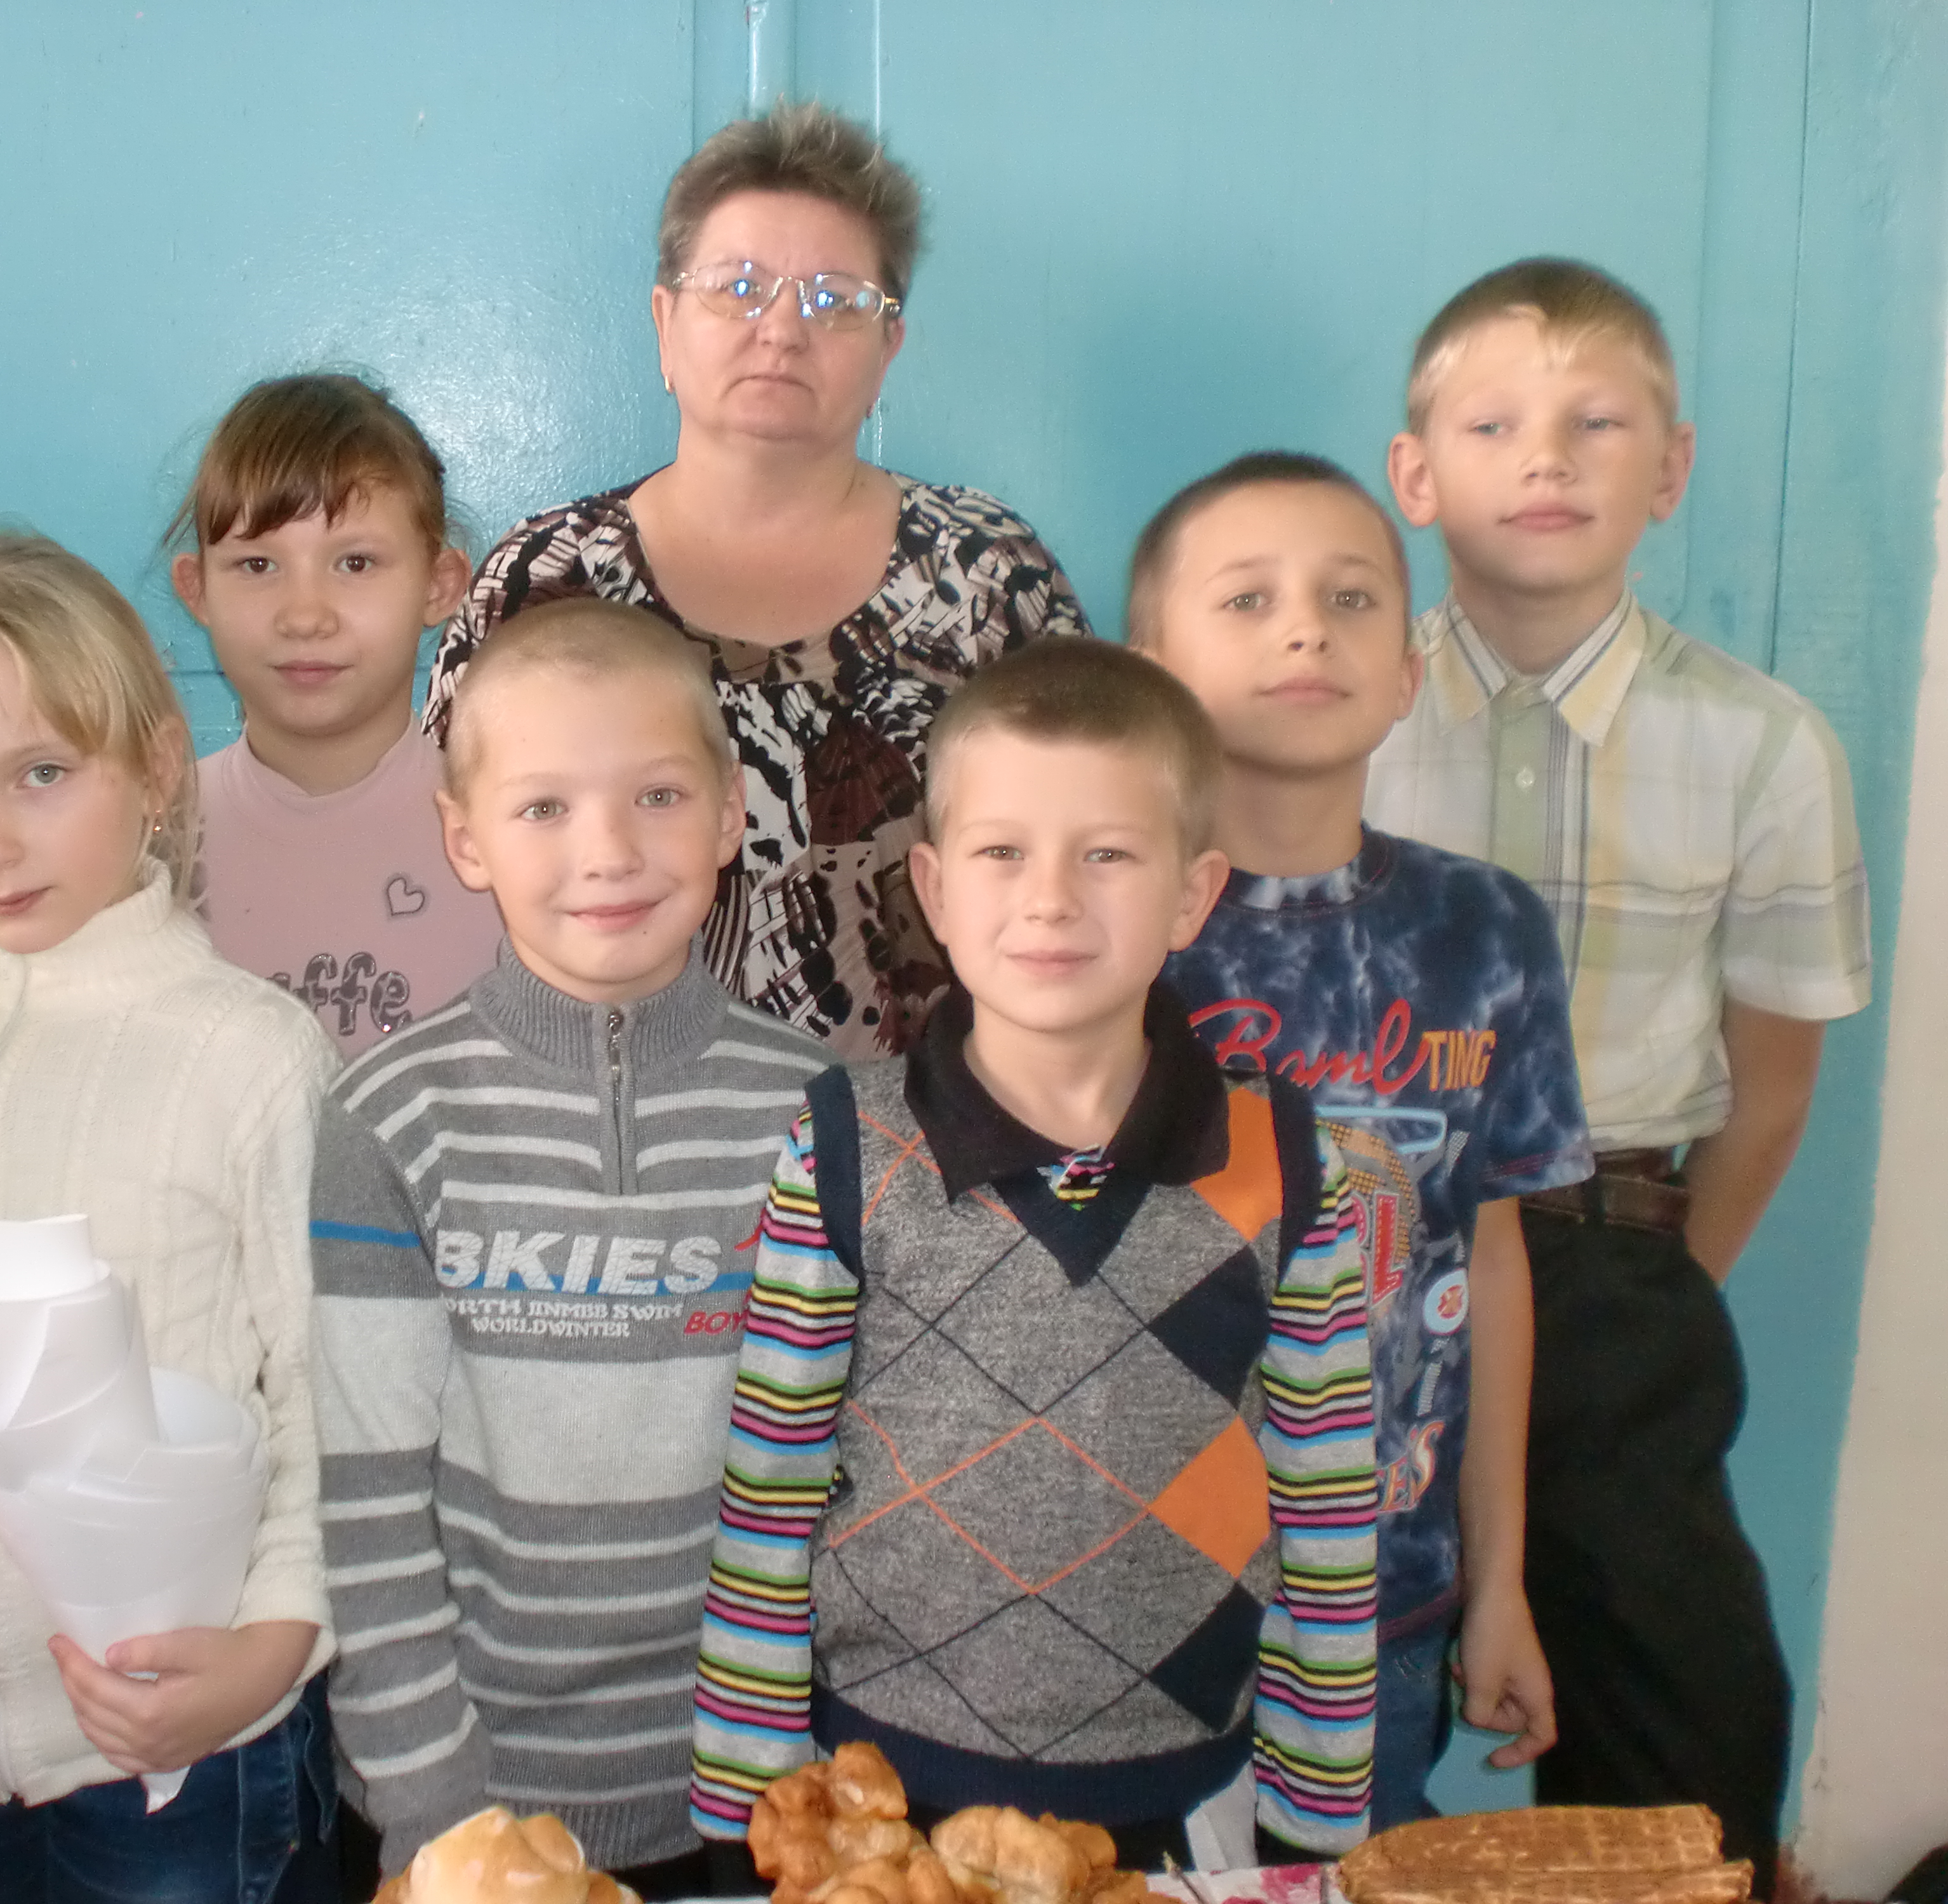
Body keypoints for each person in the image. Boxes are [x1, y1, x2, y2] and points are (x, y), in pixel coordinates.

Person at [689, 639, 1401, 1866]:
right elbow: (770, 1492)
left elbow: (1327, 1505)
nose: (1053, 899)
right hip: (885, 1805)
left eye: (1107, 854)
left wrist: (1317, 1821)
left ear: (1193, 892)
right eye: (1003, 853)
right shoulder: (844, 1148)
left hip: (1189, 1807)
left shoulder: (1288, 1166)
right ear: (934, 887)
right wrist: (746, 1814)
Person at [1365, 258, 1872, 1888]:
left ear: (1671, 467)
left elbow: (1770, 1089)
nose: (1546, 457)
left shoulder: (1762, 746)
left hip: (1609, 1273)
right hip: (1347, 1265)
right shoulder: (1334, 722)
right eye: (1493, 424)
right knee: (1309, 1704)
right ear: (1415, 473)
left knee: (1685, 1730)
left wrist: (1647, 1285)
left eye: (1596, 423)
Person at [0, 532, 341, 1900]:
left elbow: (329, 1392)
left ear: (157, 767)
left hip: (181, 1748)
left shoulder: (249, 1053)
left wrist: (273, 1646)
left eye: (41, 775)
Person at [311, 600, 834, 1892]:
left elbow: (846, 1475)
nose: (607, 852)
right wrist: (437, 1816)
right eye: (543, 807)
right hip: (471, 1818)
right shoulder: (389, 1120)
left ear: (729, 814)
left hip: (759, 1807)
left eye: (658, 796)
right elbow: (364, 1506)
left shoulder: (823, 1115)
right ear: (465, 839)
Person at [422, 101, 1092, 1061]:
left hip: (936, 1122)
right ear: (665, 321)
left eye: (835, 299)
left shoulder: (987, 574)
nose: (782, 329)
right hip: (607, 1112)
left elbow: (1090, 830)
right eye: (738, 288)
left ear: (888, 348)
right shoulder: (543, 580)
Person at [1131, 452, 1591, 1825]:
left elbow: (1489, 1267)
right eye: (1248, 599)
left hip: (1383, 1600)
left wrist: (1498, 1586)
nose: (1303, 631)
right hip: (1124, 1597)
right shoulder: (1095, 931)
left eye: (1348, 599)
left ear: (1405, 672)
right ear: (1153, 670)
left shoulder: (1484, 931)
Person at [171, 372, 501, 1057]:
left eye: (355, 562)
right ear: (197, 591)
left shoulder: (513, 840)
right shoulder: (148, 845)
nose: (305, 616)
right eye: (257, 566)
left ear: (439, 585)